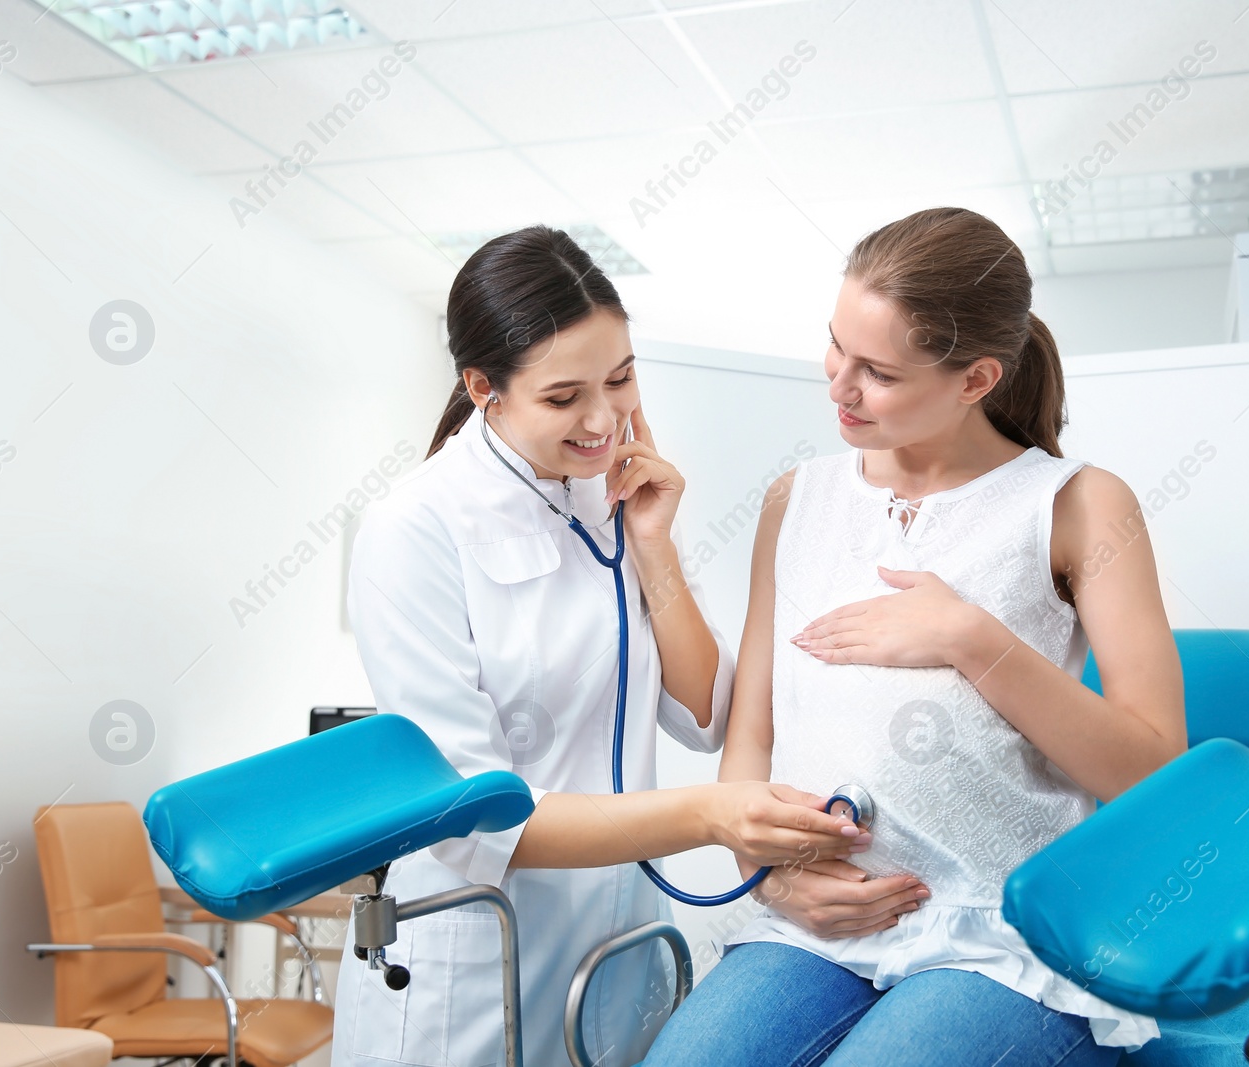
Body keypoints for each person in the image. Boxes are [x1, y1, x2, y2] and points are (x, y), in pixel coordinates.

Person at [642, 207, 1188, 1067]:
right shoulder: (797, 499)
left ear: (976, 379)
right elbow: (750, 732)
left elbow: (1158, 772)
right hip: (816, 925)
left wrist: (974, 639)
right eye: (836, 348)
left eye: (880, 372)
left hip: (1006, 939)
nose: (839, 387)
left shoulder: (1079, 504)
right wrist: (772, 872)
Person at [330, 226, 868, 1067]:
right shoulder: (416, 528)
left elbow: (703, 714)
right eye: (562, 396)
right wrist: (705, 814)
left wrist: (654, 544)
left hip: (615, 942)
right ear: (484, 388)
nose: (601, 418)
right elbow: (476, 820)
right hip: (477, 955)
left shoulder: (606, 498)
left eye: (620, 380)